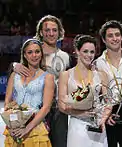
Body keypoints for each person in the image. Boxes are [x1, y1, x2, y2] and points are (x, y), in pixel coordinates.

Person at [13, 15, 70, 147]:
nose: (51, 33)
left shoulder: (65, 57)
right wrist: (14, 66)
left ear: (59, 32)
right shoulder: (34, 52)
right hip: (35, 110)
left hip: (58, 111)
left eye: (54, 30)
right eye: (47, 30)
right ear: (40, 32)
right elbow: (19, 71)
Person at [94, 20, 122, 147]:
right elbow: (96, 94)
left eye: (117, 35)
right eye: (110, 36)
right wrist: (104, 115)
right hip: (108, 112)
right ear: (103, 39)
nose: (115, 38)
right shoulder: (98, 63)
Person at [4, 38, 55, 146]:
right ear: (25, 55)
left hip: (35, 130)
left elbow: (46, 108)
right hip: (14, 130)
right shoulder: (14, 75)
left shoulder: (48, 77)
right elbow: (7, 101)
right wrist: (11, 125)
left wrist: (26, 129)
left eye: (37, 51)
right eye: (30, 52)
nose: (34, 55)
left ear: (41, 54)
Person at [58, 34, 107, 147]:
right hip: (77, 125)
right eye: (85, 51)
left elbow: (108, 101)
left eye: (92, 52)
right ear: (77, 51)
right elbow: (62, 105)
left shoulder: (101, 75)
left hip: (97, 125)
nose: (89, 55)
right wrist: (81, 113)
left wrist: (103, 119)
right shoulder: (66, 75)